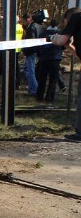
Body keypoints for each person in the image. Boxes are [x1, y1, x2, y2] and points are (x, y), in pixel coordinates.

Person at [52, 8, 81, 141]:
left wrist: (55, 38)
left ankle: (80, 133)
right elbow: (77, 54)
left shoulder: (75, 18)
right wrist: (69, 46)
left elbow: (61, 41)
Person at [35, 18, 65, 104]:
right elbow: (63, 46)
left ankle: (39, 96)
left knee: (42, 79)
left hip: (44, 58)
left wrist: (40, 55)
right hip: (55, 59)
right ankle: (49, 98)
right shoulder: (60, 34)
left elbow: (38, 47)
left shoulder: (43, 34)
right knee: (53, 80)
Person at [23, 9, 49, 96]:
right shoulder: (42, 27)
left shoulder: (33, 26)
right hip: (39, 51)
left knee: (30, 71)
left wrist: (26, 50)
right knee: (31, 70)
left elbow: (30, 40)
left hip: (31, 52)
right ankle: (35, 87)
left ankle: (34, 89)